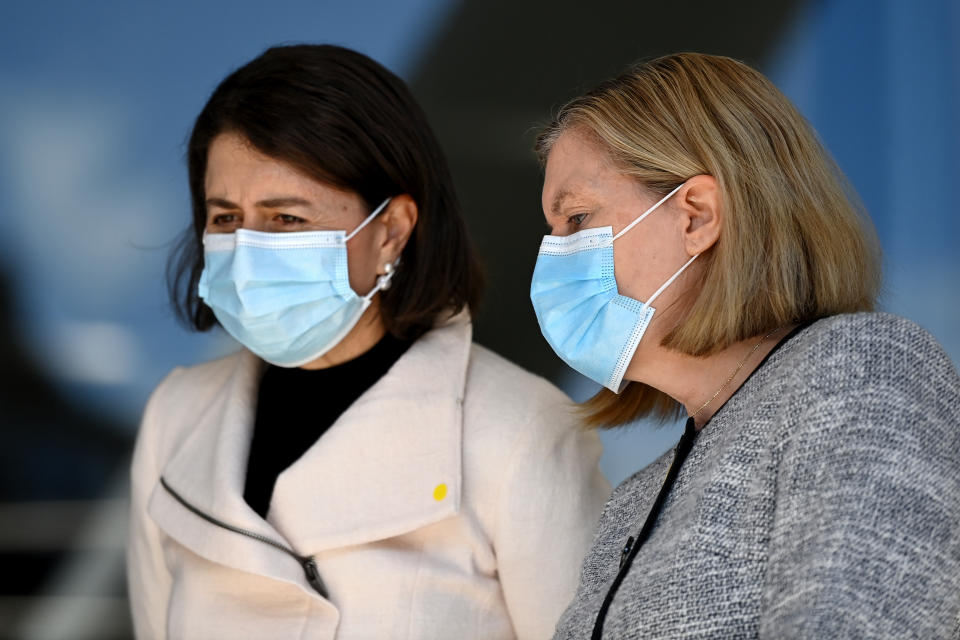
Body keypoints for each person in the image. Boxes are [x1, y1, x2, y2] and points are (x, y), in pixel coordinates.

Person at [127, 44, 610, 640]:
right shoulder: (176, 416)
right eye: (225, 218)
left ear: (390, 232)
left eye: (286, 219)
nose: (248, 251)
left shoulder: (522, 430)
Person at [529, 52, 960, 639]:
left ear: (697, 217)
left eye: (576, 218)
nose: (552, 256)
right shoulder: (638, 501)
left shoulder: (862, 370)